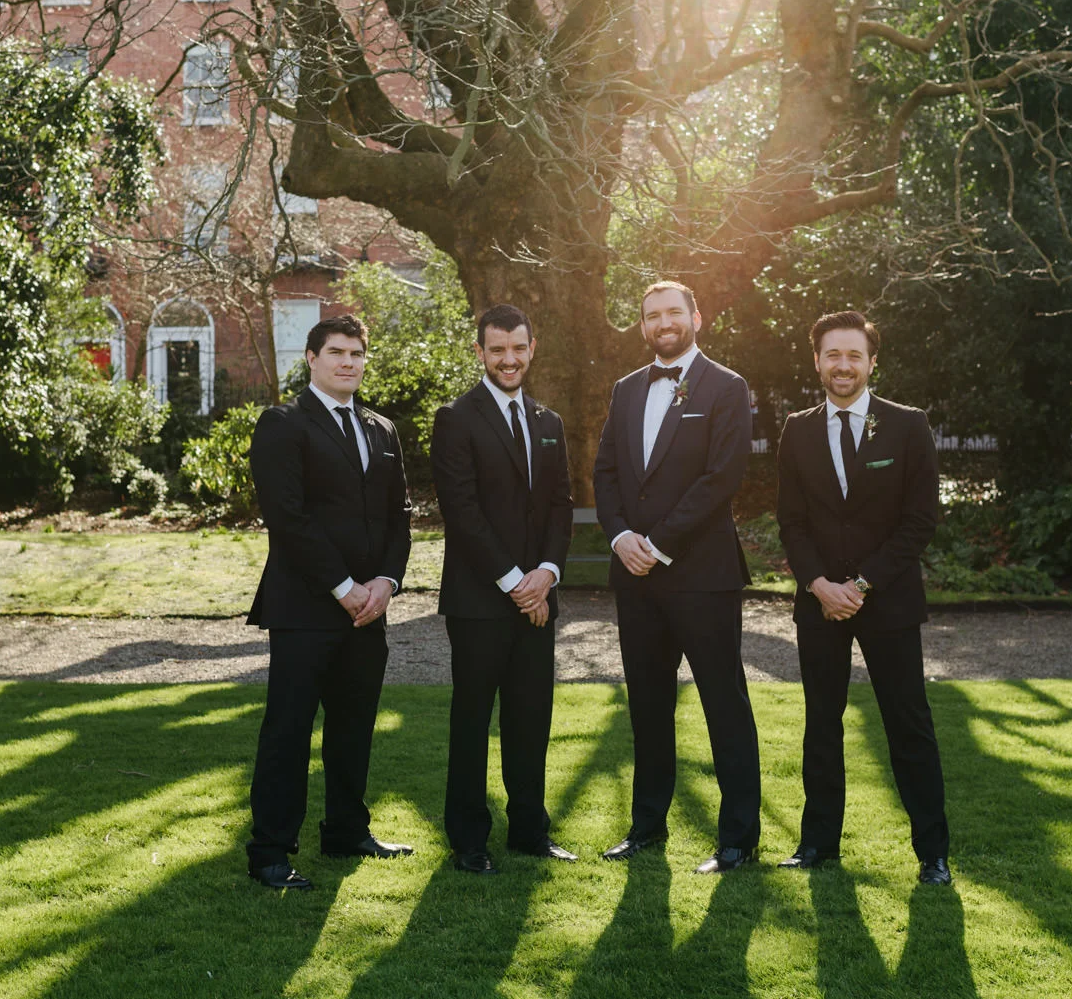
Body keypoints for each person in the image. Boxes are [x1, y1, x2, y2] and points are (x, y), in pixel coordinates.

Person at [775, 309, 951, 885]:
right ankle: (818, 846)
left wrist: (862, 584)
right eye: (832, 355)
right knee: (821, 724)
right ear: (817, 361)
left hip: (889, 601)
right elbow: (792, 523)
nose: (843, 365)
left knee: (908, 724)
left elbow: (921, 520)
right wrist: (819, 585)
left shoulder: (907, 425)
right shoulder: (796, 430)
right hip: (819, 601)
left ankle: (933, 854)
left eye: (854, 355)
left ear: (872, 362)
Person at [592, 280, 761, 874]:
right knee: (647, 706)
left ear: (696, 315)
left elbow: (722, 477)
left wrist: (658, 543)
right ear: (643, 326)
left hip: (702, 575)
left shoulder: (727, 387)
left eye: (673, 312)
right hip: (635, 576)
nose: (663, 322)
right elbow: (607, 470)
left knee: (724, 704)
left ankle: (738, 840)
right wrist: (620, 539)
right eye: (652, 315)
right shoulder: (625, 389)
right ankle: (646, 829)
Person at [244, 314, 414, 890]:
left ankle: (346, 830)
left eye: (357, 353)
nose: (349, 362)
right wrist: (344, 588)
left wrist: (386, 583)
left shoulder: (382, 429)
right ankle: (269, 852)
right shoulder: (282, 424)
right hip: (306, 607)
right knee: (288, 732)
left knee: (354, 727)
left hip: (370, 609)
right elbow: (288, 518)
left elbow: (400, 518)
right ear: (311, 358)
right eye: (336, 352)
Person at [430, 304, 577, 875]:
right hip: (478, 601)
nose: (508, 359)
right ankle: (468, 841)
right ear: (481, 353)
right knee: (472, 722)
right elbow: (462, 512)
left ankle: (530, 833)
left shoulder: (549, 422)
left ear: (531, 348)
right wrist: (518, 584)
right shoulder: (456, 418)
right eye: (497, 350)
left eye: (518, 348)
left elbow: (561, 505)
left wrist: (547, 574)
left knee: (530, 718)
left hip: (538, 597)